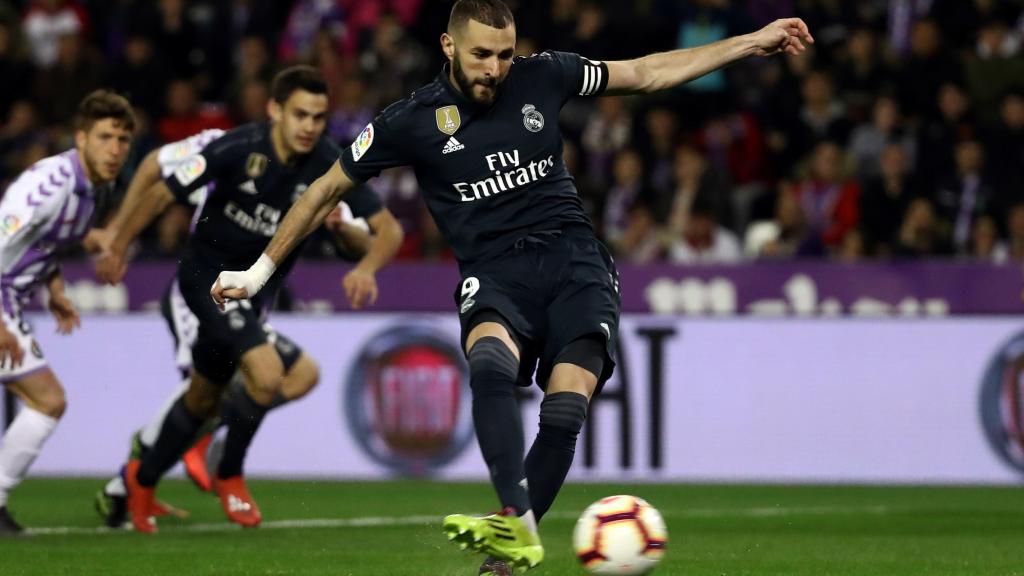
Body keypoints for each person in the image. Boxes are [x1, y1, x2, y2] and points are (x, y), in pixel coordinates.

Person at [212, 2, 812, 572]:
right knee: (490, 361)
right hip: (495, 271)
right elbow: (322, 191)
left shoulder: (544, 75)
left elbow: (649, 73)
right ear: (448, 45)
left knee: (567, 399)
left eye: (503, 54)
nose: (495, 68)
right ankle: (516, 515)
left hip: (576, 262)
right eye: (481, 55)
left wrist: (751, 42)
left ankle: (509, 545)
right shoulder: (410, 120)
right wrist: (258, 273)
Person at [95, 66, 402, 534]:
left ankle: (141, 479)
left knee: (207, 396)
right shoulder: (237, 147)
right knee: (266, 373)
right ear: (275, 110)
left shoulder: (328, 162)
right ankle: (229, 471)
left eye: (319, 117)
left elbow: (389, 231)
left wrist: (364, 265)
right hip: (207, 284)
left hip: (252, 299)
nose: (309, 126)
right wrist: (119, 243)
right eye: (300, 114)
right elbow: (163, 190)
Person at [0, 90, 134, 534]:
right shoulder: (48, 188)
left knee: (42, 400)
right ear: (81, 138)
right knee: (47, 399)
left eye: (122, 139)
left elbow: (46, 243)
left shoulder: (97, 186)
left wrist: (54, 288)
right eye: (104, 137)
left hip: (14, 298)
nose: (114, 149)